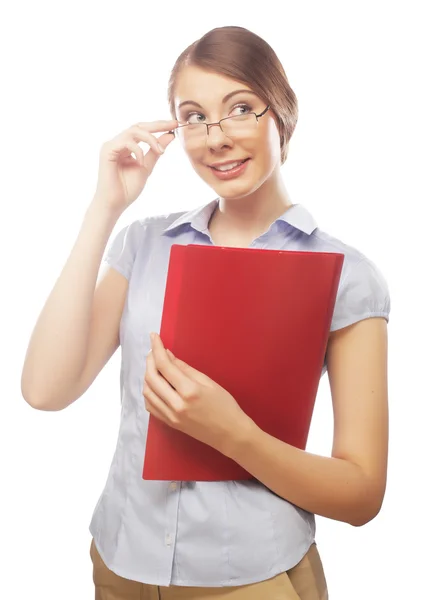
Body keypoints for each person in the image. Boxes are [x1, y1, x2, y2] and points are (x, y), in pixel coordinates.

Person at [21, 25, 390, 600]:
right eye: (194, 116)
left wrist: (234, 435)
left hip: (251, 579)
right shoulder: (144, 243)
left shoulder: (348, 274)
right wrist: (106, 206)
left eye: (240, 108)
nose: (215, 137)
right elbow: (45, 390)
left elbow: (363, 494)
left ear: (283, 115)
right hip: (120, 563)